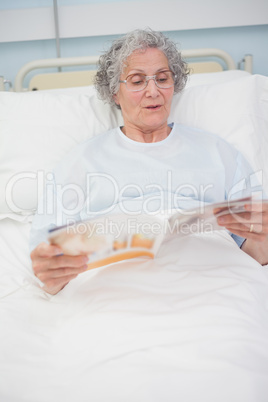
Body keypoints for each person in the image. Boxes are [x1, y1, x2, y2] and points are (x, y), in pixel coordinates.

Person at [30, 29, 268, 295]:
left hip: (214, 281)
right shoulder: (81, 161)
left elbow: (255, 253)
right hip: (114, 288)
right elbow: (49, 264)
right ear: (114, 93)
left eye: (162, 78)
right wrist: (52, 273)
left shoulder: (219, 153)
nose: (153, 91)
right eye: (137, 80)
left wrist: (264, 237)